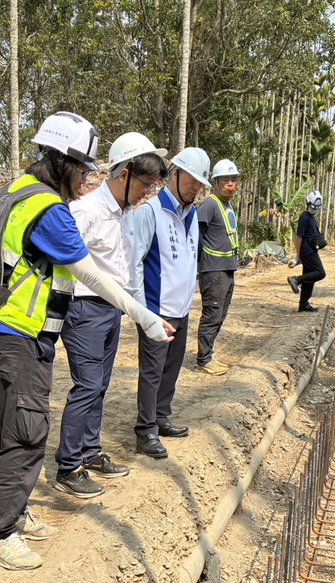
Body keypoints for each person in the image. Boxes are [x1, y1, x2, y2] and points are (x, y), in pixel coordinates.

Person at [0, 112, 173, 572]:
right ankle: (2, 531)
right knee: (26, 431)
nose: (87, 179)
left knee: (8, 428)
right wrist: (145, 318)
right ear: (62, 162)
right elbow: (89, 273)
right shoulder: (48, 209)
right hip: (15, 331)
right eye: (83, 169)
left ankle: (15, 511)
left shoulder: (19, 190)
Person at [52, 132, 167, 499]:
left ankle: (89, 451)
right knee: (86, 386)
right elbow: (64, 259)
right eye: (145, 185)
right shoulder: (85, 210)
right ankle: (68, 467)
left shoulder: (123, 214)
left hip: (110, 310)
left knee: (100, 385)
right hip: (84, 309)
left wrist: (137, 309)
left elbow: (122, 268)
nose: (147, 194)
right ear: (123, 175)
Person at [128, 147, 211, 460]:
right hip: (155, 307)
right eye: (191, 179)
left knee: (171, 366)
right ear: (174, 173)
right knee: (152, 370)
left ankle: (161, 416)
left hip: (181, 307)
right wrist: (140, 309)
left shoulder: (191, 214)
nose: (195, 187)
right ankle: (145, 429)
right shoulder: (151, 211)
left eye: (200, 183)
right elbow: (136, 261)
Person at [195, 158, 242, 376]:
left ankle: (209, 354)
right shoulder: (210, 204)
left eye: (234, 180)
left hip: (226, 267)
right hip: (213, 270)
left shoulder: (227, 205)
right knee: (212, 314)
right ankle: (204, 360)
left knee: (220, 315)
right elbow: (196, 237)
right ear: (216, 182)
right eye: (226, 181)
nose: (231, 184)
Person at [288, 190, 327, 312]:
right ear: (308, 203)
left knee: (309, 278)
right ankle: (296, 280)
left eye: (316, 208)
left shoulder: (311, 217)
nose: (314, 209)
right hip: (306, 252)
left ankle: (303, 304)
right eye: (312, 206)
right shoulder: (304, 217)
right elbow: (299, 237)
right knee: (320, 273)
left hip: (311, 251)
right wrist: (298, 255)